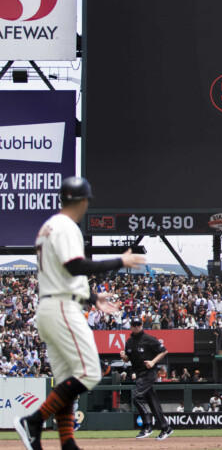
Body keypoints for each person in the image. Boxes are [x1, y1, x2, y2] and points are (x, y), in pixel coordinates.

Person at [15, 176, 147, 450]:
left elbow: (62, 275)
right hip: (62, 308)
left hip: (51, 306)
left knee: (65, 384)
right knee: (89, 372)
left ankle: (68, 444)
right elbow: (75, 266)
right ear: (83, 200)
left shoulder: (49, 227)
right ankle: (34, 421)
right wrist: (119, 260)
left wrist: (92, 297)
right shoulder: (65, 226)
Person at [120, 317, 173, 440]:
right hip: (139, 373)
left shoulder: (149, 339)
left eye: (138, 324)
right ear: (131, 326)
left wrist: (153, 362)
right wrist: (123, 357)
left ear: (142, 325)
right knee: (153, 403)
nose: (136, 326)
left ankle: (147, 425)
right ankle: (165, 428)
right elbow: (128, 359)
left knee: (137, 396)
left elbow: (164, 351)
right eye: (134, 324)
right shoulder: (129, 342)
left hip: (148, 373)